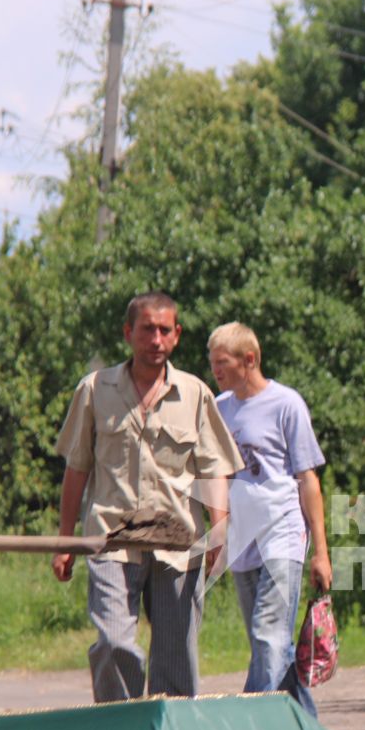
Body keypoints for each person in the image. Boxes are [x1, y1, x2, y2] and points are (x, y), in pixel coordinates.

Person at [53, 293, 241, 702]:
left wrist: (219, 532)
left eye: (164, 330)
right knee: (113, 644)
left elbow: (213, 469)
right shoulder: (95, 389)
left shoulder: (194, 394)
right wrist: (65, 540)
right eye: (147, 330)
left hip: (178, 543)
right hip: (111, 540)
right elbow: (77, 467)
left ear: (176, 336)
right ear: (128, 333)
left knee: (175, 659)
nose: (155, 339)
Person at [207, 322, 331, 716]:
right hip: (242, 541)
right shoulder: (220, 408)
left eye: (222, 362)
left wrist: (321, 553)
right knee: (271, 645)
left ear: (250, 359)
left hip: (283, 531)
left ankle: (253, 721)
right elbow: (215, 478)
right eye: (213, 363)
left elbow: (308, 478)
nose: (216, 371)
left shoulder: (286, 403)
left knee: (268, 635)